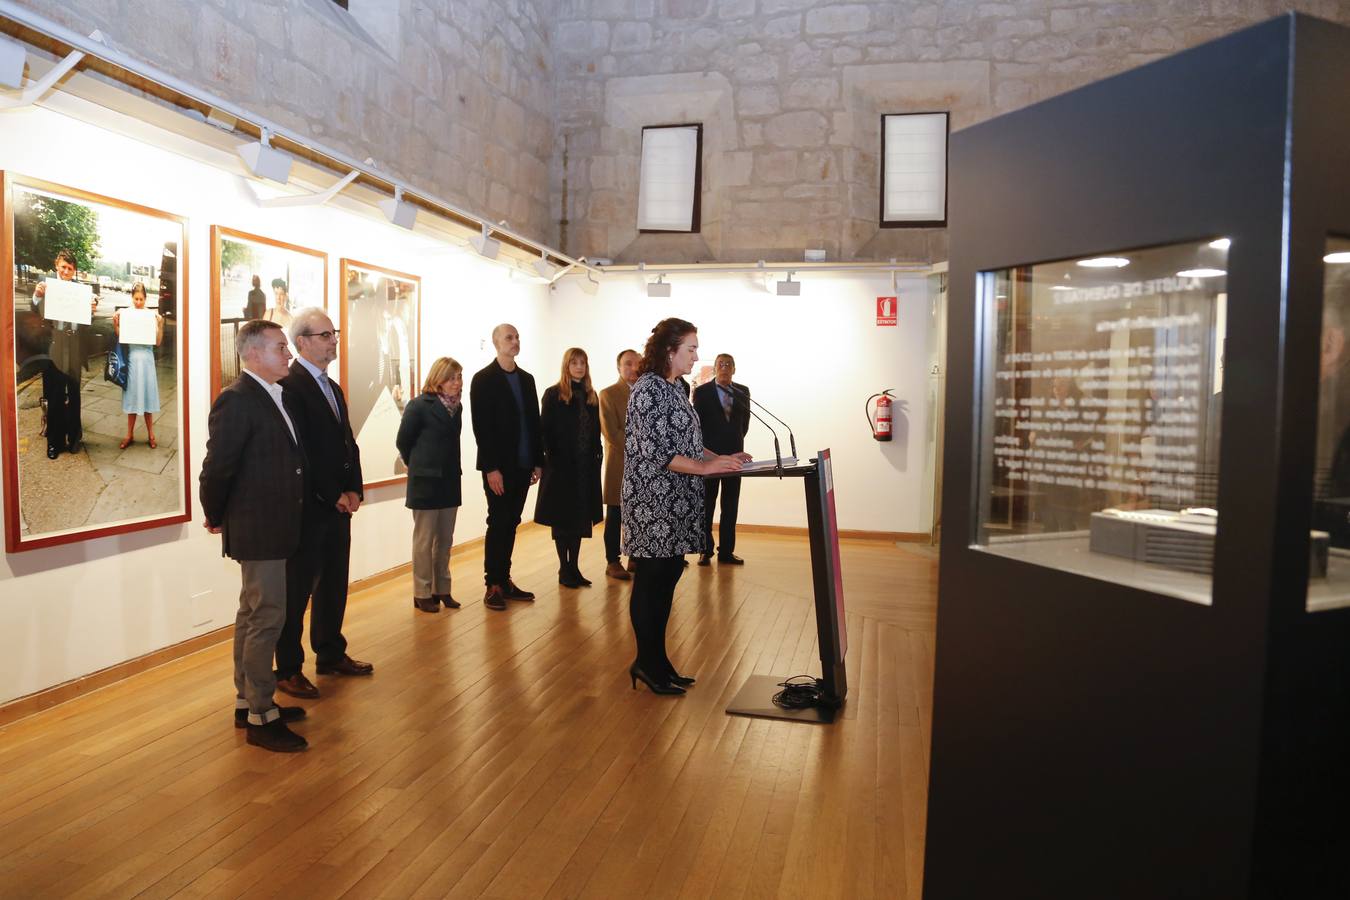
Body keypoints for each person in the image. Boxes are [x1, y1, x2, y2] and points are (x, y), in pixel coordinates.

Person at [199, 319, 309, 752]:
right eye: (281, 347)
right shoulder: (238, 400)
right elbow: (217, 467)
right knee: (267, 618)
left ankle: (249, 700)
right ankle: (264, 714)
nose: (288, 355)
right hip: (260, 527)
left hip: (274, 524)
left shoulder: (272, 395)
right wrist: (214, 512)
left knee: (252, 613)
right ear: (253, 354)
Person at [622, 318, 748, 695]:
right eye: (691, 349)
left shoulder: (676, 387)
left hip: (676, 500)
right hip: (653, 503)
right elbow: (657, 452)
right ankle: (647, 663)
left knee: (666, 579)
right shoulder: (647, 389)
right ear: (669, 351)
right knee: (651, 582)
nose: (697, 356)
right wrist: (707, 467)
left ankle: (658, 661)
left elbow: (691, 444)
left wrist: (722, 457)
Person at [272, 308, 372, 700]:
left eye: (335, 333)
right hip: (309, 509)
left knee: (333, 584)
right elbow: (303, 453)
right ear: (302, 343)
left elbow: (348, 443)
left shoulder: (333, 388)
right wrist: (333, 494)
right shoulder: (292, 387)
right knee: (296, 592)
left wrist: (355, 489)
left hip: (338, 507)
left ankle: (330, 652)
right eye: (326, 334)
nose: (334, 340)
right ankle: (288, 669)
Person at [469, 323, 543, 611]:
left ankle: (505, 578)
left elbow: (533, 422)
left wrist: (538, 460)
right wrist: (491, 468)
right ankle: (494, 584)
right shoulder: (483, 379)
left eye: (517, 337)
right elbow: (481, 428)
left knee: (512, 522)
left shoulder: (526, 379)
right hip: (499, 467)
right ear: (496, 342)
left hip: (524, 465)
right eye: (509, 338)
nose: (515, 341)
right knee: (498, 521)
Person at [397, 356, 465, 613]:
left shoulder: (457, 407)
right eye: (451, 378)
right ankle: (422, 592)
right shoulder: (419, 406)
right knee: (424, 540)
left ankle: (442, 589)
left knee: (445, 540)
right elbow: (403, 441)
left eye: (459, 377)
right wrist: (416, 464)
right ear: (438, 379)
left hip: (449, 480)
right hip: (425, 482)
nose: (457, 383)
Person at [535, 348, 604, 588]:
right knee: (562, 520)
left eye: (583, 363)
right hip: (561, 469)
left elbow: (595, 433)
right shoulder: (554, 394)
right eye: (574, 363)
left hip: (585, 469)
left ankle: (574, 566)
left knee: (579, 520)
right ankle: (563, 568)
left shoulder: (590, 396)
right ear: (566, 366)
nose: (579, 367)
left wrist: (597, 459)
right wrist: (547, 461)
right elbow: (543, 431)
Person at [30, 248, 95, 458]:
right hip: (54, 344)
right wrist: (37, 297)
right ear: (56, 265)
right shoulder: (46, 286)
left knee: (74, 394)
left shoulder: (80, 290)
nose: (66, 271)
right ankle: (54, 443)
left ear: (74, 270)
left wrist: (90, 311)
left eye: (70, 268)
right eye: (63, 267)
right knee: (55, 395)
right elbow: (34, 311)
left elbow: (86, 323)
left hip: (74, 345)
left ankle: (74, 438)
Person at [692, 353, 752, 566]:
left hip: (736, 458)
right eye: (720, 364)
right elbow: (696, 426)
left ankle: (726, 552)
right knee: (706, 504)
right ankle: (705, 550)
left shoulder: (743, 391)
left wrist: (733, 446)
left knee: (730, 505)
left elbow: (744, 425)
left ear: (734, 369)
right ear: (715, 368)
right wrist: (711, 453)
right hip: (708, 458)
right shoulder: (701, 392)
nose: (724, 367)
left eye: (729, 364)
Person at [599, 349, 639, 580]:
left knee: (637, 514)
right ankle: (612, 561)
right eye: (628, 364)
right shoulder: (608, 394)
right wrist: (645, 445)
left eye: (637, 364)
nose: (633, 368)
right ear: (618, 367)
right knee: (615, 514)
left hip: (645, 468)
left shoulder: (647, 393)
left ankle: (634, 556)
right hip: (620, 464)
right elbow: (612, 433)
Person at [112, 282, 164, 450]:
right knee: (133, 397)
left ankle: (151, 434)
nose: (139, 302)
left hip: (147, 360)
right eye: (136, 298)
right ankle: (129, 434)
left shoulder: (151, 315)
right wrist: (116, 324)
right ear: (132, 297)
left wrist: (161, 324)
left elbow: (157, 342)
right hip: (133, 359)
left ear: (146, 299)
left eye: (141, 299)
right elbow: (122, 336)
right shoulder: (127, 313)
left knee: (147, 397)